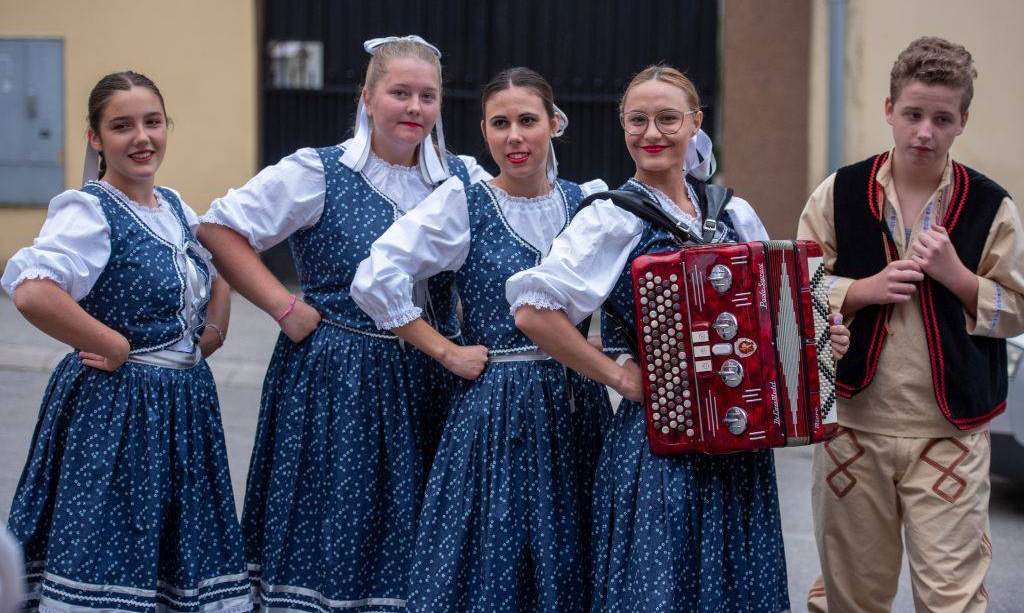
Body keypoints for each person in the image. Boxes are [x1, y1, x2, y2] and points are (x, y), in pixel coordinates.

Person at [509, 63, 850, 612]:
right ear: (623, 127)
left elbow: (775, 316)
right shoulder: (612, 219)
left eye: (667, 118)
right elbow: (532, 311)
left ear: (695, 123)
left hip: (740, 447)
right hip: (658, 450)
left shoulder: (731, 213)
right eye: (637, 120)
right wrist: (619, 375)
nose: (651, 133)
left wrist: (821, 342)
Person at [197, 35, 490, 611]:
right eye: (399, 92)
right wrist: (285, 306)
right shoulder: (318, 171)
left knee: (425, 523)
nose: (413, 108)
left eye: (426, 96)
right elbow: (217, 229)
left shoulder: (463, 177)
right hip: (341, 377)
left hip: (436, 371)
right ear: (366, 97)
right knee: (342, 516)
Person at [351, 67, 612, 611]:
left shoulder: (589, 203)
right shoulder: (464, 203)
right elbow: (376, 276)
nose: (514, 136)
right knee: (496, 553)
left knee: (574, 550)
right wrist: (444, 350)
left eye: (527, 121)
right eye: (500, 124)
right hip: (499, 409)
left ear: (555, 124)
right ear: (484, 133)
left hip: (577, 402)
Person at [2, 71, 248, 612]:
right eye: (122, 126)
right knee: (110, 547)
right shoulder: (88, 210)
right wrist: (109, 343)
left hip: (184, 408)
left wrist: (211, 334)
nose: (142, 137)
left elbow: (216, 270)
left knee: (173, 555)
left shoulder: (175, 207)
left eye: (153, 122)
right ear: (96, 138)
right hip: (116, 412)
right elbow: (32, 291)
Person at [799, 36, 1024, 612]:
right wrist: (862, 290)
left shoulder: (991, 205)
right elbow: (793, 292)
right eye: (913, 114)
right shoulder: (841, 190)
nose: (925, 130)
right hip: (852, 424)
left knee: (953, 597)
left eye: (942, 118)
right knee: (852, 596)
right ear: (889, 111)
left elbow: (1018, 308)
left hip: (950, 432)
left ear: (962, 122)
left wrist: (958, 276)